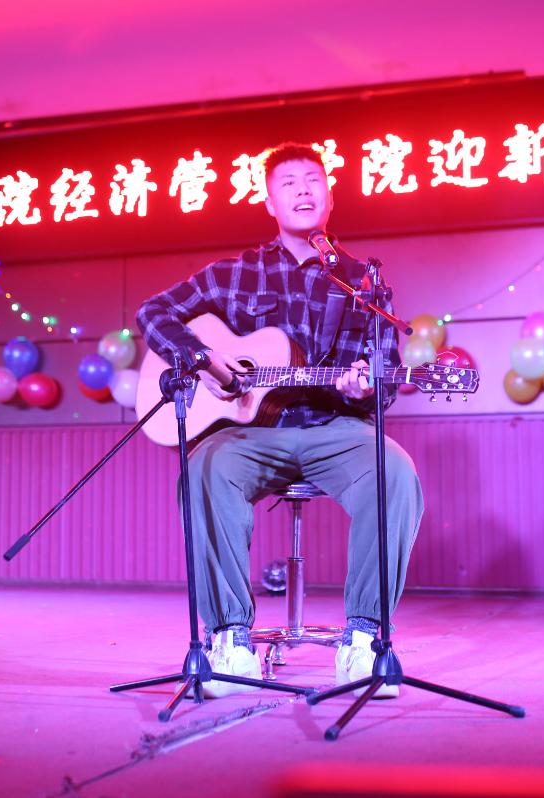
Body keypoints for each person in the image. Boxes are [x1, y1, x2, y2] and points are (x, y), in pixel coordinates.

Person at [136, 142, 424, 698]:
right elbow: (154, 312)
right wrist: (202, 358)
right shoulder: (235, 274)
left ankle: (365, 639)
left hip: (333, 428)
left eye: (313, 179)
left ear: (330, 196)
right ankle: (229, 640)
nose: (303, 190)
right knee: (204, 469)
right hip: (250, 432)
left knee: (396, 472)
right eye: (288, 182)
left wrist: (364, 384)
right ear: (270, 202)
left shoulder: (363, 282)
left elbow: (385, 376)